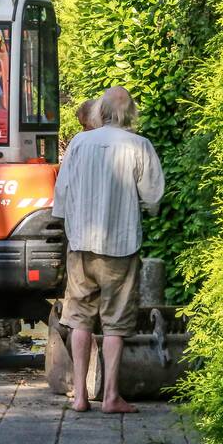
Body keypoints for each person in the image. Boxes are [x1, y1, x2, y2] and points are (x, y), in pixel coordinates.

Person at [52, 87, 165, 413]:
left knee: (79, 319)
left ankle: (79, 396)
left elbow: (61, 194)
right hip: (121, 244)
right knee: (116, 322)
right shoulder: (139, 145)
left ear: (100, 111)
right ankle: (112, 396)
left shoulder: (78, 143)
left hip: (81, 245)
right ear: (129, 114)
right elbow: (153, 196)